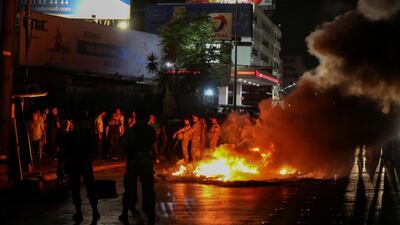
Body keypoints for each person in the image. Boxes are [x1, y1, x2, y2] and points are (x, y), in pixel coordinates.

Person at [119, 109, 156, 225]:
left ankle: (125, 213)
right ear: (145, 118)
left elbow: (123, 144)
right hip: (146, 160)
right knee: (148, 188)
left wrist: (128, 153)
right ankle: (150, 213)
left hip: (133, 161)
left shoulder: (130, 131)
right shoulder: (151, 130)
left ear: (136, 118)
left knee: (129, 187)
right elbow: (153, 144)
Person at [65, 111, 100, 224]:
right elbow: (95, 149)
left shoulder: (75, 134)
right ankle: (92, 211)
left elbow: (67, 150)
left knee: (79, 189)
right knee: (89, 187)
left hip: (77, 163)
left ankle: (82, 212)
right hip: (82, 163)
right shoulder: (87, 134)